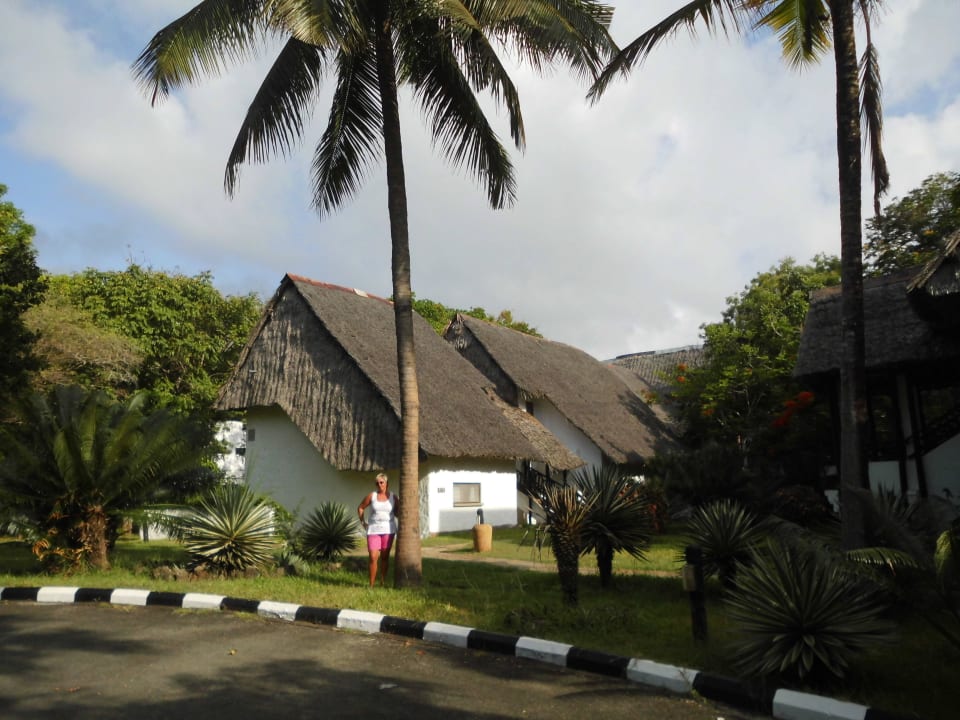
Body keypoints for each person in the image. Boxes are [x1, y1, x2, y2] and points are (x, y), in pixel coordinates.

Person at [357, 473, 399, 587]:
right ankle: (371, 585)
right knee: (373, 556)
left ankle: (382, 581)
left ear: (387, 483)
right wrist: (363, 523)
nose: (379, 484)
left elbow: (398, 512)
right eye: (377, 483)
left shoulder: (393, 497)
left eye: (381, 482)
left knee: (385, 557)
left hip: (388, 530)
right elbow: (360, 508)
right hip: (373, 530)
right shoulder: (372, 496)